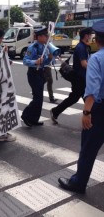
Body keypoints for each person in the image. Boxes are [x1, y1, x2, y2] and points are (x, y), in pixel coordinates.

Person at [58, 20, 104, 193]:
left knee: (88, 149)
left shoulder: (97, 59)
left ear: (96, 40)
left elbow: (92, 90)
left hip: (99, 110)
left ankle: (78, 183)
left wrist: (86, 112)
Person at [50, 27, 92, 125]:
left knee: (78, 97)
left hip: (81, 78)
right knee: (83, 98)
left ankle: (55, 111)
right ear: (86, 36)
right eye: (90, 35)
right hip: (79, 78)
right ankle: (55, 111)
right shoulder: (81, 47)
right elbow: (84, 64)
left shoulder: (84, 46)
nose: (91, 37)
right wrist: (95, 69)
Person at [21, 27, 53, 127]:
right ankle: (26, 115)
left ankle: (34, 119)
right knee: (37, 98)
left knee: (39, 98)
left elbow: (46, 62)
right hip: (33, 73)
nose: (47, 37)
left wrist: (50, 58)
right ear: (39, 37)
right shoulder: (32, 47)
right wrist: (35, 61)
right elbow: (25, 61)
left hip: (41, 73)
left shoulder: (45, 47)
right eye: (45, 36)